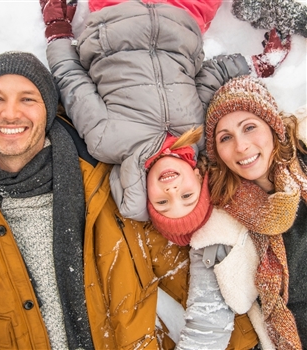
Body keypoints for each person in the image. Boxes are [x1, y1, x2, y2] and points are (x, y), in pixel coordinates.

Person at [0, 52, 191, 349]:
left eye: (28, 99)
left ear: (48, 109)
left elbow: (176, 263)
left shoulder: (102, 177)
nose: (11, 114)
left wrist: (245, 341)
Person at [39, 0, 291, 222]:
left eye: (162, 203)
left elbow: (71, 80)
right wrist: (256, 65)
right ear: (197, 176)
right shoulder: (199, 132)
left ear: (143, 191)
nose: (172, 191)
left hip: (115, 18)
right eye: (187, 195)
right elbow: (211, 75)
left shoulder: (107, 141)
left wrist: (57, 28)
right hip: (182, 17)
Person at [145, 128, 272, 349]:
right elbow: (208, 320)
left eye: (250, 127)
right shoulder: (213, 235)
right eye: (225, 137)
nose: (173, 191)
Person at [205, 75, 307, 349]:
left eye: (249, 127)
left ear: (273, 125)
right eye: (225, 137)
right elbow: (238, 299)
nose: (241, 146)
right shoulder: (223, 217)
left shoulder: (304, 160)